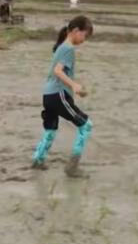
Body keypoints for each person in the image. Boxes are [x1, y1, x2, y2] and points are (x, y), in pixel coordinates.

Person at [32, 16, 94, 177]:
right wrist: (74, 85)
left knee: (51, 129)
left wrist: (74, 87)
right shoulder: (68, 49)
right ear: (75, 31)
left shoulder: (61, 47)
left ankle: (38, 160)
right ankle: (72, 168)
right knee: (86, 125)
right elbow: (58, 71)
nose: (84, 40)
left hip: (48, 95)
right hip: (58, 94)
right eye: (84, 36)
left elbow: (58, 72)